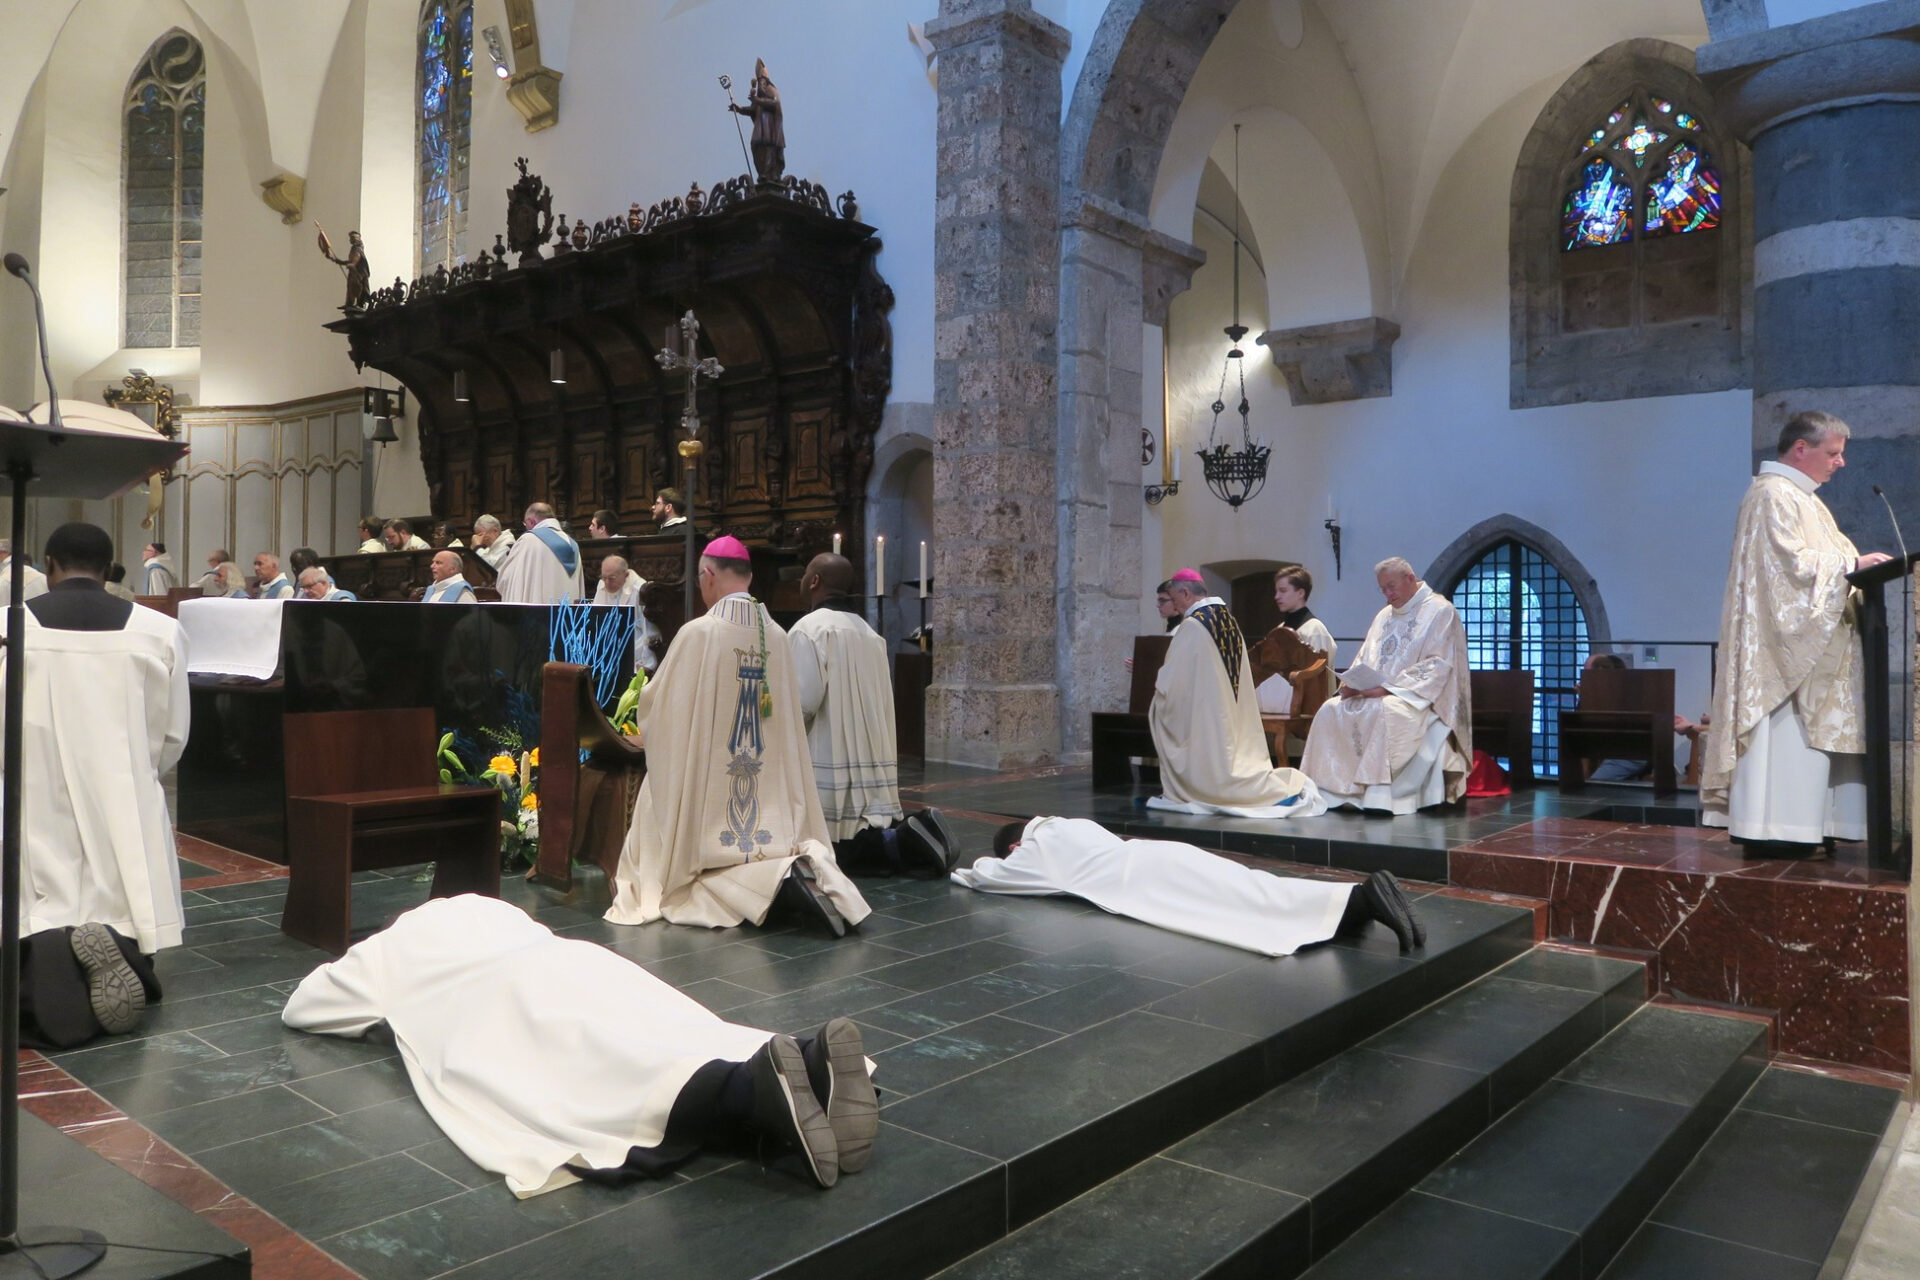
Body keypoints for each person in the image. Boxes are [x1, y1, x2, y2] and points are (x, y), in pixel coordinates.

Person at [285, 896, 878, 1194]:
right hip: (574, 959)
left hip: (493, 997)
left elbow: (304, 1007)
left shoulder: (386, 951)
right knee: (661, 1026)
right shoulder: (488, 908)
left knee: (593, 1073)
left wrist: (375, 987)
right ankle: (806, 1063)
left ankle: (749, 1093)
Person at [605, 536, 870, 936]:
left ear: (708, 575)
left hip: (708, 807)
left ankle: (774, 883)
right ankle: (787, 870)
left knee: (677, 851)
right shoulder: (777, 635)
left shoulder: (700, 633)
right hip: (770, 801)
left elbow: (660, 710)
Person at [1701, 411, 1888, 851]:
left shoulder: (1806, 499)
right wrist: (1849, 566)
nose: (1841, 463)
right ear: (1801, 449)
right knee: (1786, 739)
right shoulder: (1771, 494)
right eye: (1834, 453)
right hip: (1781, 660)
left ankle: (1811, 827)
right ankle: (1776, 829)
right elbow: (1785, 568)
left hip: (1817, 649)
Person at [4, 522, 188, 960]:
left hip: (34, 791)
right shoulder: (159, 631)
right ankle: (122, 957)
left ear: (48, 565)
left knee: (36, 910)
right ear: (108, 568)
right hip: (125, 792)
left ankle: (48, 970)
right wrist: (138, 773)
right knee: (124, 907)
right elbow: (174, 733)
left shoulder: (8, 626)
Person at [963, 817, 1427, 954]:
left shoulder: (1035, 850)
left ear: (1015, 844)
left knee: (1240, 905)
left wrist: (963, 869)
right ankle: (1358, 903)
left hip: (1144, 881)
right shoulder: (1073, 825)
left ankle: (1362, 898)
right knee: (1249, 888)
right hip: (1157, 855)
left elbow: (987, 875)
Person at [789, 553, 960, 878]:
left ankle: (909, 842)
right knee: (863, 832)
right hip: (871, 765)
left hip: (830, 757)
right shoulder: (869, 633)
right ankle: (911, 834)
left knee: (833, 848)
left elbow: (802, 703)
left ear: (814, 581)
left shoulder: (808, 630)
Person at [1299, 557, 1472, 813]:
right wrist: (1352, 683)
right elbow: (1365, 656)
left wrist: (1387, 689)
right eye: (1382, 589)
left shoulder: (1440, 611)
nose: (1387, 595)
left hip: (1415, 697)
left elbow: (1439, 664)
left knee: (1383, 711)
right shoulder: (1383, 616)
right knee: (1329, 709)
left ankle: (1377, 797)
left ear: (1410, 579)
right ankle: (1326, 790)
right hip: (1372, 691)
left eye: (1391, 587)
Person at [1146, 568, 1323, 816]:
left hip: (1207, 717)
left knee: (1215, 766)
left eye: (1174, 600)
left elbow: (1172, 681)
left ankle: (1212, 783)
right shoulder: (1226, 619)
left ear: (1185, 593)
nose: (1175, 607)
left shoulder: (1194, 626)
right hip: (1230, 713)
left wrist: (1160, 694)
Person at [1248, 564, 1338, 714]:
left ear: (1300, 593)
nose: (1276, 596)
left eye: (1283, 591)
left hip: (1307, 711)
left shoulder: (1315, 630)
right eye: (1276, 591)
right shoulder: (1280, 628)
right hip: (1278, 707)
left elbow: (1318, 680)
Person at [495, 502, 583, 604]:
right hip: (566, 617)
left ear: (531, 521)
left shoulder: (528, 540)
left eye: (525, 524)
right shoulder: (572, 544)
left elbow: (506, 581)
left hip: (538, 615)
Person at [593, 554, 661, 671]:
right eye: (604, 578)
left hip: (635, 657)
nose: (607, 583)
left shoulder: (641, 590)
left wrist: (647, 665)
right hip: (606, 655)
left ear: (626, 575)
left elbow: (650, 632)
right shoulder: (602, 586)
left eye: (612, 578)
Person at [728, 59, 786, 184]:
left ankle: (769, 174)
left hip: (770, 129)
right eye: (760, 82)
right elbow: (753, 110)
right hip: (760, 128)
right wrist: (739, 109)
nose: (761, 84)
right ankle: (762, 173)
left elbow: (774, 102)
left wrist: (756, 99)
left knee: (769, 150)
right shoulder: (759, 95)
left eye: (762, 82)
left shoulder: (771, 90)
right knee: (756, 146)